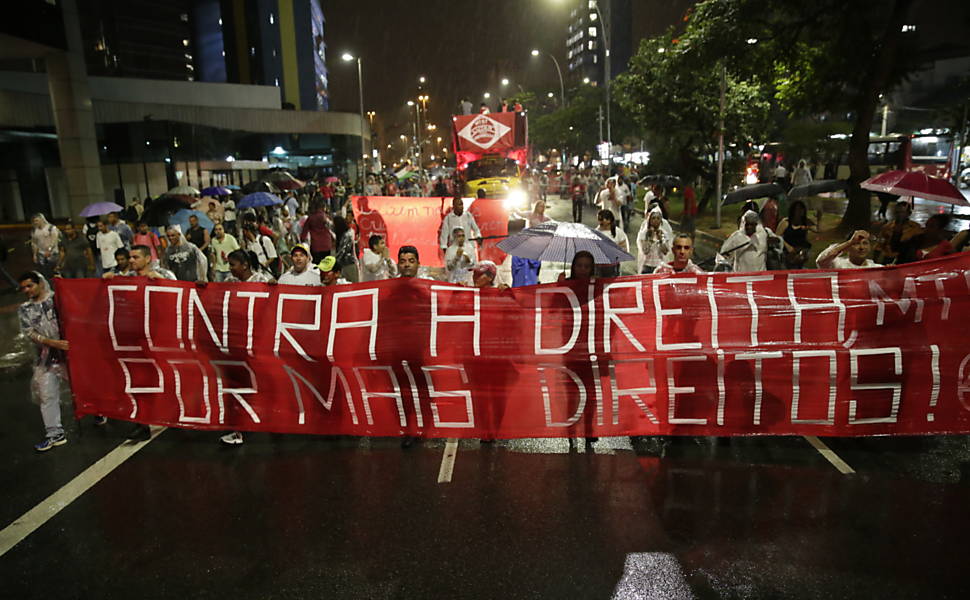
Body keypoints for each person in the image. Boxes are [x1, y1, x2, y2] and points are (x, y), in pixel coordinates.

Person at [219, 250, 275, 447]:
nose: (230, 269)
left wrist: (275, 289)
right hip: (238, 342)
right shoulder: (228, 282)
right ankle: (239, 427)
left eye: (233, 264)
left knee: (263, 383)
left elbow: (275, 305)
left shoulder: (263, 280)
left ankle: (271, 419)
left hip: (259, 341)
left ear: (244, 265)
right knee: (239, 385)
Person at [17, 271, 71, 452]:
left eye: (29, 285)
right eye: (23, 287)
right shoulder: (25, 309)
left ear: (40, 283)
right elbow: (29, 332)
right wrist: (52, 342)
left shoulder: (58, 300)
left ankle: (98, 411)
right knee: (46, 394)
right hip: (46, 358)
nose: (26, 290)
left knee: (83, 386)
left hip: (70, 354)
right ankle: (54, 433)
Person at [874, 200, 922, 264]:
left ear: (909, 213)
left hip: (907, 260)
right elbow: (879, 245)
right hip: (889, 259)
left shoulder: (915, 228)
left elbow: (920, 245)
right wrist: (875, 262)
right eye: (897, 212)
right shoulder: (887, 227)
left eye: (902, 212)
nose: (900, 215)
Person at [775, 200, 817, 269]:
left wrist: (815, 221)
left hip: (801, 249)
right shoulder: (785, 222)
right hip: (788, 250)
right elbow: (777, 236)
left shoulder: (806, 222)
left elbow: (818, 230)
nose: (799, 213)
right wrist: (788, 246)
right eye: (797, 210)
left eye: (801, 210)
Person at [816, 230, 880, 269]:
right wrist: (849, 242)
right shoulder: (837, 265)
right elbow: (821, 261)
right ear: (847, 247)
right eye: (856, 244)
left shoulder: (877, 269)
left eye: (865, 243)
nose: (861, 247)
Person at [107, 244, 176, 280]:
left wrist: (162, 280)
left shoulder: (164, 274)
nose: (131, 260)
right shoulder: (129, 277)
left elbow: (178, 291)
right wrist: (110, 279)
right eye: (130, 257)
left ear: (147, 259)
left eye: (135, 257)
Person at [637, 206, 671, 274]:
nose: (656, 220)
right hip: (646, 266)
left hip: (660, 266)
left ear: (661, 220)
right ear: (649, 220)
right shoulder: (643, 234)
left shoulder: (664, 233)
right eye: (653, 218)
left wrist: (661, 239)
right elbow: (645, 251)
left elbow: (665, 252)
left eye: (658, 218)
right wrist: (650, 238)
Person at [595, 209, 628, 277]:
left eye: (601, 219)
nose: (599, 221)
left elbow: (625, 249)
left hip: (613, 265)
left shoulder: (618, 232)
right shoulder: (596, 232)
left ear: (609, 220)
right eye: (599, 219)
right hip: (599, 265)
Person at [30, 213, 60, 279]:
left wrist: (49, 250)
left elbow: (54, 240)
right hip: (41, 254)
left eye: (37, 220)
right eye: (34, 221)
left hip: (53, 254)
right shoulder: (34, 230)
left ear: (42, 220)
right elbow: (34, 243)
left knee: (52, 271)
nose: (35, 223)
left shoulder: (51, 228)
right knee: (44, 272)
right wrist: (34, 254)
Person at [332, 215, 359, 283]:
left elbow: (343, 250)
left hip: (349, 264)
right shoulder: (341, 234)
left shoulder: (348, 234)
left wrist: (334, 262)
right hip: (343, 264)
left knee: (353, 285)